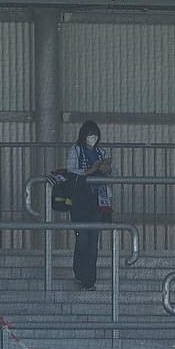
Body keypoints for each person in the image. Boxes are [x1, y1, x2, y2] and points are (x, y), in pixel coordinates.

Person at [64, 120, 114, 291]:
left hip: (98, 200)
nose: (93, 138)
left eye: (95, 135)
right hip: (80, 200)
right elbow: (70, 171)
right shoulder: (76, 150)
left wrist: (106, 169)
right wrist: (89, 171)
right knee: (82, 239)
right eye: (90, 135)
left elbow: (108, 176)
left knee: (93, 241)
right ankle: (79, 272)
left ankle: (89, 280)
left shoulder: (101, 152)